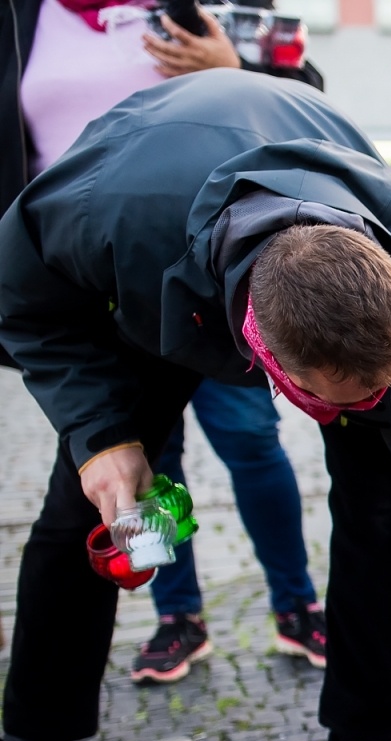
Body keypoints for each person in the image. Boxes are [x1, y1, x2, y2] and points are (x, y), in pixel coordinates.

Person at [0, 71, 391, 741]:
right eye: (338, 400)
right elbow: (22, 299)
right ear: (263, 361)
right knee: (81, 504)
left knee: (383, 508)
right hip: (157, 281)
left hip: (265, 254)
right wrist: (101, 438)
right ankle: (33, 736)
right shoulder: (105, 212)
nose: (361, 414)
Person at [1, 0, 327, 685]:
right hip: (85, 279)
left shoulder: (201, 8)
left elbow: (308, 108)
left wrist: (234, 69)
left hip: (212, 276)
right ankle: (177, 615)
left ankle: (297, 604)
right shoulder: (22, 16)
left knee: (250, 441)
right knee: (143, 467)